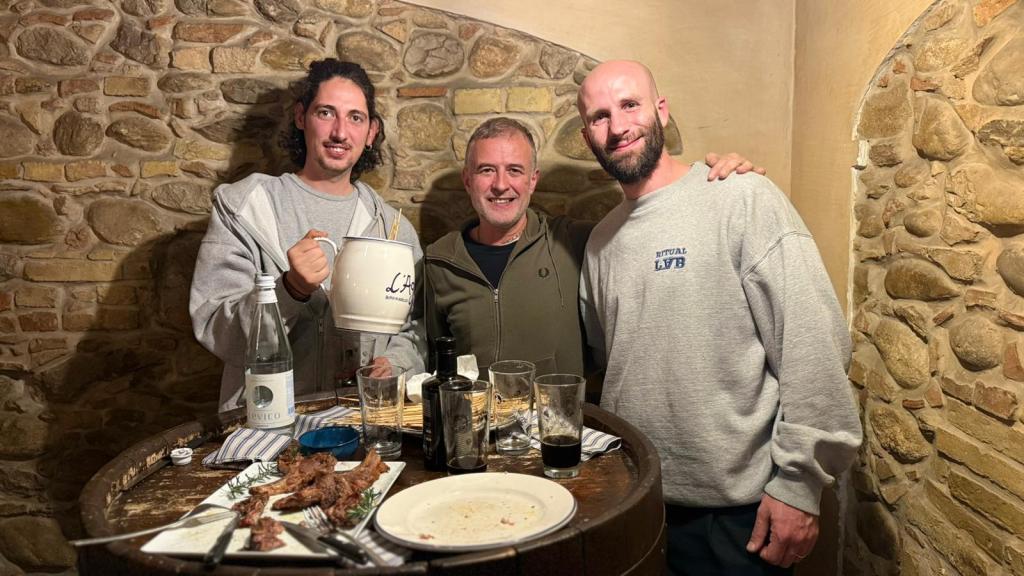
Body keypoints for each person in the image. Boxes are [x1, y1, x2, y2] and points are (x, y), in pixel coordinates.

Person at [576, 60, 862, 575]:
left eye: (630, 105)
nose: (617, 126)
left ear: (661, 110)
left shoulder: (741, 197)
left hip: (734, 517)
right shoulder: (600, 241)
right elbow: (612, 358)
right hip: (632, 501)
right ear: (586, 136)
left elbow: (813, 343)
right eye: (599, 116)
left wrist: (799, 486)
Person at [423, 116, 760, 376]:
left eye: (514, 170)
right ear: (467, 180)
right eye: (486, 170)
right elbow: (434, 367)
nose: (500, 185)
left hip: (558, 436)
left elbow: (652, 221)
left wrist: (718, 184)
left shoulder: (577, 242)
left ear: (533, 180)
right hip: (474, 439)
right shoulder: (439, 263)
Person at [190, 59, 424, 413]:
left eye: (355, 118)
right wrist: (289, 290)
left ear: (371, 132)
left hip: (359, 420)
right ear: (301, 117)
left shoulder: (393, 229)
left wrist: (396, 364)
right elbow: (215, 330)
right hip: (266, 422)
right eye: (326, 113)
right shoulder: (245, 207)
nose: (340, 133)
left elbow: (415, 328)